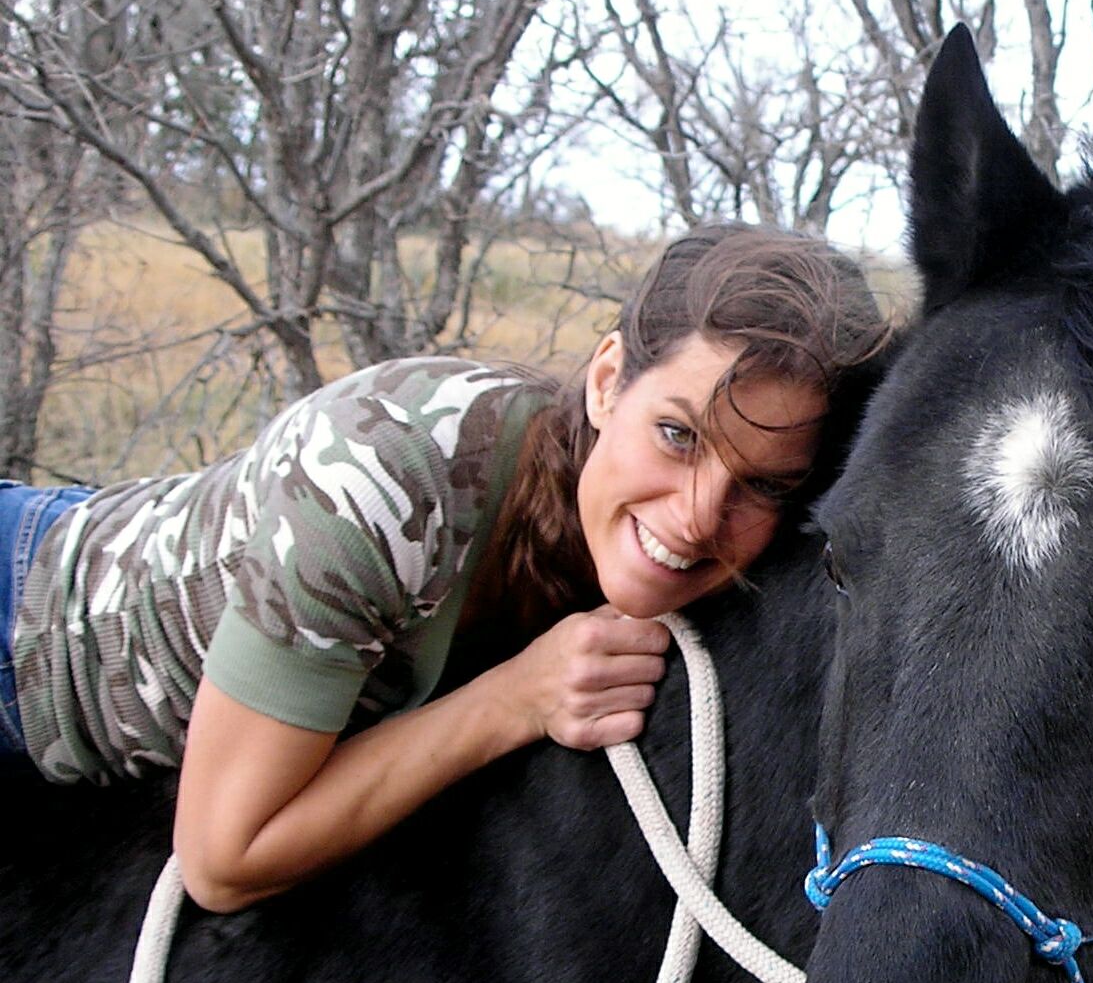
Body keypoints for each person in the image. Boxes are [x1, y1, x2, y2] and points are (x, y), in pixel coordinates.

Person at [0, 224, 886, 913]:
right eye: (676, 435)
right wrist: (517, 698)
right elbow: (223, 858)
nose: (697, 516)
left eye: (762, 484)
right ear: (609, 379)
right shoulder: (389, 474)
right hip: (26, 638)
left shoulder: (720, 553)